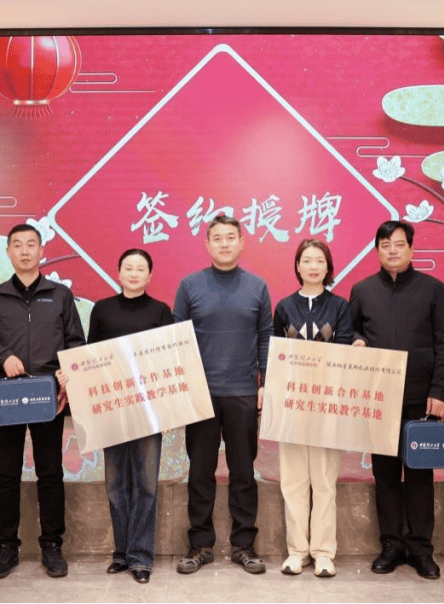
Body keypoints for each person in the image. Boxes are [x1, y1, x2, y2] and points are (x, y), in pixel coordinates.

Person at [0, 223, 85, 579]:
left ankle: (52, 545)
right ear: (8, 252)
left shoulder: (60, 295)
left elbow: (76, 341)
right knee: (6, 473)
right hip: (7, 395)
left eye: (30, 244)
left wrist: (66, 372)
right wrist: (2, 357)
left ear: (41, 251)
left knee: (50, 471)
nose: (24, 251)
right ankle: (7, 546)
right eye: (17, 245)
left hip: (48, 394)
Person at [58, 248, 174, 585]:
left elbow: (168, 360)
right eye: (128, 268)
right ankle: (122, 553)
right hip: (111, 408)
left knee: (146, 485)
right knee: (116, 485)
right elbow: (90, 356)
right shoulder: (102, 310)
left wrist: (168, 409)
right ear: (118, 273)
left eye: (141, 268)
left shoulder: (161, 311)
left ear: (150, 276)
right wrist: (70, 374)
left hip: (148, 410)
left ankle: (141, 557)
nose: (134, 273)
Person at [349, 220, 444, 580]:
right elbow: (353, 330)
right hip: (380, 400)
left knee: (420, 476)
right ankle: (391, 545)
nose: (392, 250)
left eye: (398, 244)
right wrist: (357, 340)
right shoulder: (363, 290)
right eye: (385, 245)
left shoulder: (433, 289)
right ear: (377, 250)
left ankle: (421, 549)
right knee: (386, 476)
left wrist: (440, 392)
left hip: (421, 401)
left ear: (411, 248)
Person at [173, 214, 272, 575]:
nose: (225, 243)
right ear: (207, 244)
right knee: (200, 473)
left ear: (242, 242)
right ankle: (200, 545)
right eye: (217, 238)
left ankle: (244, 545)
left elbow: (266, 337)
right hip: (201, 396)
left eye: (231, 237)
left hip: (243, 393)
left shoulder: (257, 286)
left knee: (243, 473)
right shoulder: (190, 285)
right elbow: (178, 339)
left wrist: (265, 383)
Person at [273, 239, 353, 578]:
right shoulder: (284, 307)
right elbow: (276, 355)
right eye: (306, 260)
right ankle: (297, 552)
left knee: (323, 482)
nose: (313, 266)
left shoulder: (339, 306)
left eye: (319, 260)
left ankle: (323, 553)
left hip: (327, 406)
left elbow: (344, 350)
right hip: (291, 406)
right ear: (297, 266)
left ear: (328, 266)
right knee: (293, 481)